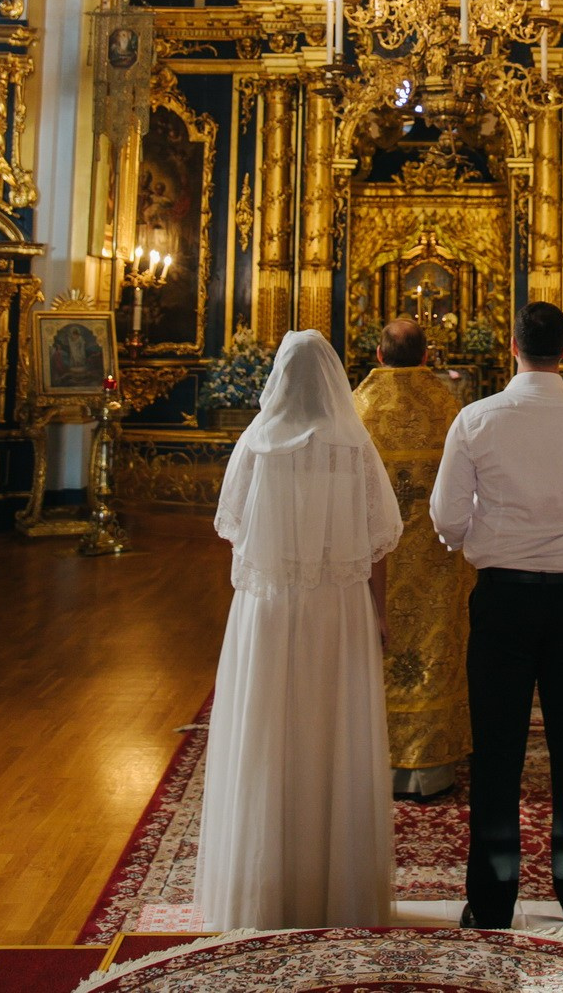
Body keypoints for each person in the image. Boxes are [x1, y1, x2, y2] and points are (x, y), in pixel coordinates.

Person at [429, 301, 563, 933]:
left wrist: (471, 541)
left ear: (512, 346)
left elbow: (446, 517)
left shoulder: (476, 419)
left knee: (496, 750)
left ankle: (492, 904)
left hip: (502, 598)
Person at [194, 329, 403, 931]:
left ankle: (264, 889)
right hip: (338, 608)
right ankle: (336, 891)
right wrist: (379, 611)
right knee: (331, 730)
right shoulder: (352, 447)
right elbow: (378, 540)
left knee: (268, 730)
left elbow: (232, 529)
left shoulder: (255, 444)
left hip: (270, 608)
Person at [354, 316, 470, 797]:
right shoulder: (451, 407)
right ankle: (433, 766)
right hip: (437, 558)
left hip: (372, 556)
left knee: (375, 647)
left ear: (379, 356)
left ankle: (371, 754)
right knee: (434, 645)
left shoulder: (354, 408)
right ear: (427, 356)